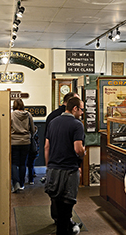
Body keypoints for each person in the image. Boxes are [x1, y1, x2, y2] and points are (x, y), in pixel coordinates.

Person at [44, 96, 86, 235]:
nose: (82, 113)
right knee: (67, 204)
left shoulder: (53, 122)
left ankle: (65, 228)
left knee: (57, 202)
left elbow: (46, 147)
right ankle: (64, 230)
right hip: (69, 170)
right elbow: (78, 149)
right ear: (75, 108)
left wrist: (48, 166)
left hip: (53, 169)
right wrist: (83, 154)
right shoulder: (77, 124)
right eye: (81, 110)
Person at [11, 98, 36, 193]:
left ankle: (15, 183)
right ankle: (21, 184)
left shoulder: (11, 115)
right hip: (26, 142)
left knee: (14, 163)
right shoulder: (28, 115)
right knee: (23, 163)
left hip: (14, 142)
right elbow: (32, 129)